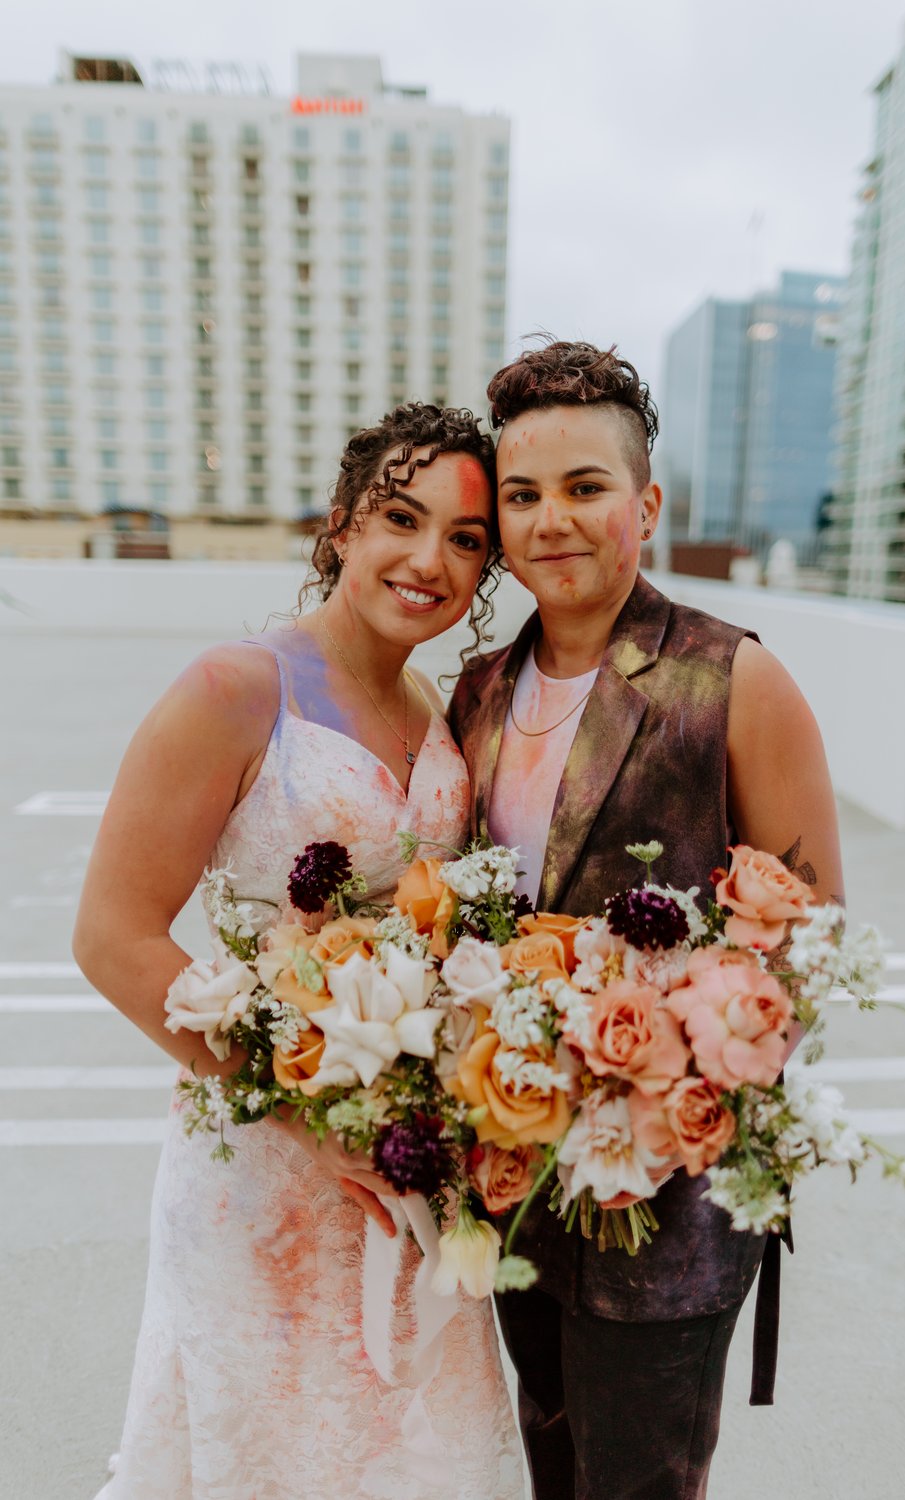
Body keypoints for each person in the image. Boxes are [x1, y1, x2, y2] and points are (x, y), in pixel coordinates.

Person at [73, 404, 524, 1500]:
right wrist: (309, 1117)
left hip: (409, 1164)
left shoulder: (435, 707)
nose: (429, 561)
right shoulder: (235, 689)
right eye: (399, 519)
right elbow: (111, 934)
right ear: (339, 527)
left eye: (465, 541)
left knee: (407, 1449)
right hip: (263, 1163)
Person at [449, 341, 844, 1500]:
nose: (550, 520)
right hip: (512, 1176)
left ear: (647, 503)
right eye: (522, 495)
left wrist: (672, 1085)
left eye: (585, 488)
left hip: (664, 1201)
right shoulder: (476, 691)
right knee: (550, 1466)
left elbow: (811, 933)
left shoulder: (732, 680)